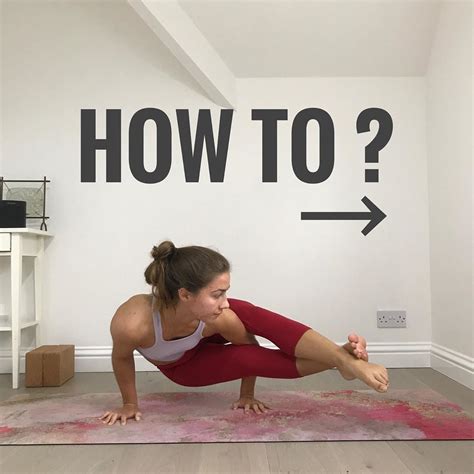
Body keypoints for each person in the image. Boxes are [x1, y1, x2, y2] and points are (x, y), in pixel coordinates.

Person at [99, 241, 389, 426]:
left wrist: (247, 394)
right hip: (184, 368)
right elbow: (122, 358)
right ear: (185, 294)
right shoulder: (133, 322)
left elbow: (250, 349)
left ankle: (346, 361)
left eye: (225, 292)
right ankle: (340, 359)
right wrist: (129, 404)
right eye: (217, 294)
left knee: (246, 312)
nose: (225, 301)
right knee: (237, 321)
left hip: (206, 326)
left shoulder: (220, 316)